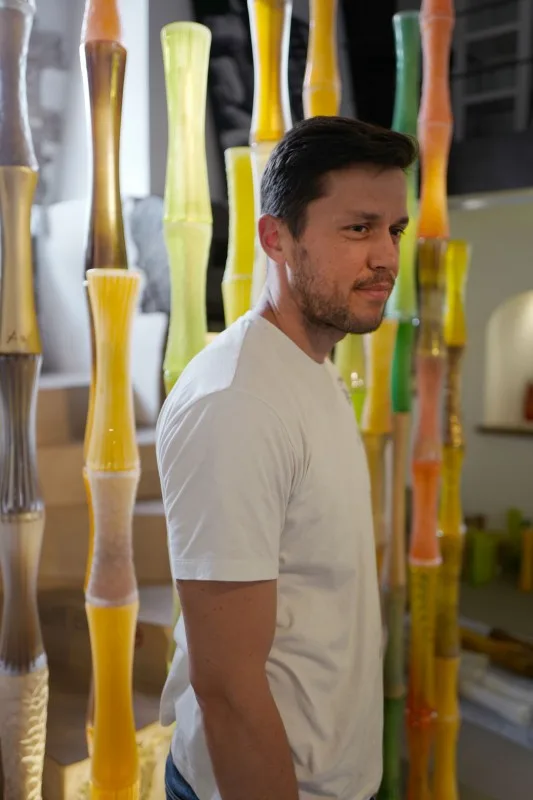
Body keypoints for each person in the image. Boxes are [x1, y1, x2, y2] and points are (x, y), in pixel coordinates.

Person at [156, 115, 417, 800]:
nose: (386, 258)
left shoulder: (312, 367)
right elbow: (228, 688)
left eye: (394, 231)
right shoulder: (238, 402)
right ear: (275, 237)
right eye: (358, 228)